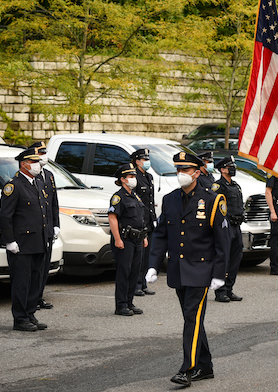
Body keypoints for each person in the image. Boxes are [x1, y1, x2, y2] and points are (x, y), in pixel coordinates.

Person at [145, 152, 230, 387]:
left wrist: (219, 274)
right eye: (178, 170)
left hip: (202, 270)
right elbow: (161, 234)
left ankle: (187, 368)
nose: (181, 174)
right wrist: (153, 265)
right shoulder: (170, 199)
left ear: (197, 172)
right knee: (191, 318)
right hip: (178, 269)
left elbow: (222, 241)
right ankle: (205, 365)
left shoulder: (212, 199)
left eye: (186, 170)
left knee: (192, 316)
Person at [0, 148, 49, 331]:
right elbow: (4, 216)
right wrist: (9, 240)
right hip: (21, 244)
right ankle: (20, 319)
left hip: (38, 242)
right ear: (24, 164)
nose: (37, 165)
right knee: (21, 282)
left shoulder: (37, 183)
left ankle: (30, 314)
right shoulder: (14, 185)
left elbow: (42, 213)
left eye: (37, 162)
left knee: (35, 281)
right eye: (33, 162)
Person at [108, 163, 147, 316]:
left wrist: (144, 237)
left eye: (133, 176)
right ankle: (121, 305)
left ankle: (129, 302)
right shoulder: (119, 197)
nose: (133, 179)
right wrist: (117, 239)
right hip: (125, 239)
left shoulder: (134, 195)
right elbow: (112, 218)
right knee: (124, 272)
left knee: (134, 271)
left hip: (137, 239)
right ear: (123, 179)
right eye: (130, 177)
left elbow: (140, 218)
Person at [28, 141, 60, 311]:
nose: (44, 156)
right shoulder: (31, 177)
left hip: (47, 227)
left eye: (44, 152)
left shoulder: (49, 174)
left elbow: (54, 202)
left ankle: (39, 297)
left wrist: (56, 224)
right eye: (40, 153)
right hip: (36, 229)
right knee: (34, 268)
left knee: (44, 266)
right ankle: (32, 299)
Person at [212, 155, 244, 302]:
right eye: (230, 166)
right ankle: (220, 291)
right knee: (224, 258)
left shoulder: (235, 185)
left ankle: (229, 289)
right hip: (226, 226)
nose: (233, 169)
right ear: (223, 169)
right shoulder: (218, 186)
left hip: (237, 226)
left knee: (235, 258)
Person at [130, 149, 156, 297]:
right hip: (140, 221)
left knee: (147, 255)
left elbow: (150, 201)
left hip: (149, 220)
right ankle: (137, 285)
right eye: (144, 159)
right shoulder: (135, 177)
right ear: (137, 161)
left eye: (147, 159)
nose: (147, 162)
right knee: (139, 256)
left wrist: (154, 219)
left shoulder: (149, 176)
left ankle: (143, 283)